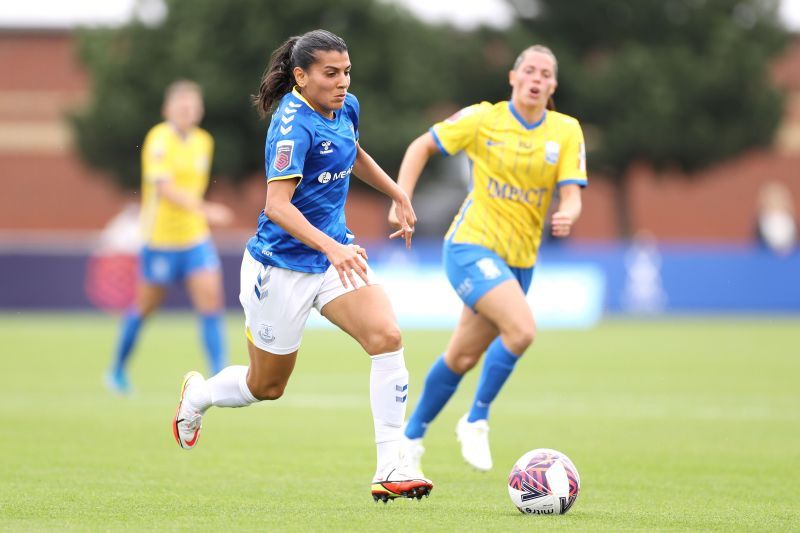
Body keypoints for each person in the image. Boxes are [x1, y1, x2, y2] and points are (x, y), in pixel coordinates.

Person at [171, 30, 433, 502]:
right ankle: (198, 396)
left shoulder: (345, 106)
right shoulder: (291, 125)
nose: (343, 82)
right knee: (265, 386)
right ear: (301, 75)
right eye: (331, 74)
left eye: (347, 71)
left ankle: (391, 465)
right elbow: (277, 206)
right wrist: (332, 249)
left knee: (387, 337)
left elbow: (351, 155)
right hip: (280, 267)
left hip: (334, 257)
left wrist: (396, 192)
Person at [389, 45, 587, 473]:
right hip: (469, 246)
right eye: (529, 70)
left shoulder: (566, 131)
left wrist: (567, 215)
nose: (537, 78)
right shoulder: (483, 118)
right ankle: (476, 418)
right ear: (513, 78)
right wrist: (401, 198)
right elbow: (421, 145)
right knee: (521, 330)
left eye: (546, 74)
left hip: (520, 260)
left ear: (552, 86)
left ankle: (409, 440)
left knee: (461, 357)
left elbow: (571, 196)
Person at [105, 80, 233, 394]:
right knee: (145, 308)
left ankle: (220, 378)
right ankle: (117, 370)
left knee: (211, 303)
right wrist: (206, 209)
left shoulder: (204, 141)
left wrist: (199, 215)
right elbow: (165, 190)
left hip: (194, 238)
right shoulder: (158, 139)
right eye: (181, 106)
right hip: (160, 240)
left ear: (200, 110)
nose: (188, 111)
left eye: (193, 106)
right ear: (168, 110)